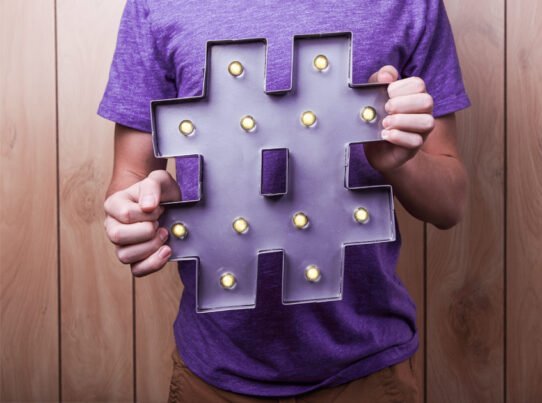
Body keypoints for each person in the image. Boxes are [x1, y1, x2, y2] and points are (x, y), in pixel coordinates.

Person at [99, 0, 470, 401]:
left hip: (367, 370)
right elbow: (131, 179)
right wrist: (144, 210)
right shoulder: (154, 5)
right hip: (215, 374)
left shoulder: (411, 5)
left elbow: (449, 205)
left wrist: (397, 163)